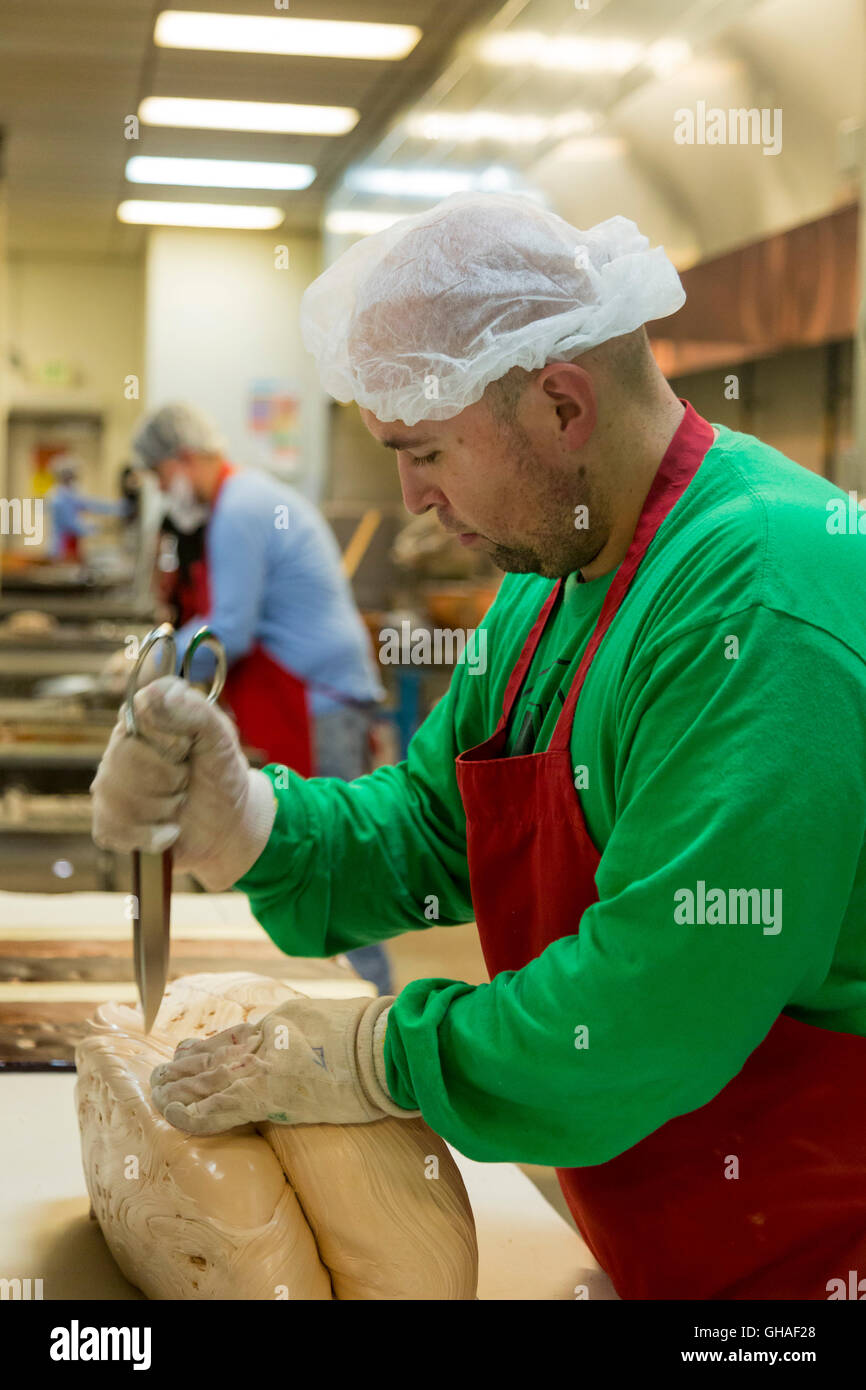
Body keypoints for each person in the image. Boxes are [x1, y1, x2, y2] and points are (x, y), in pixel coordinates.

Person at [91, 193, 866, 1300]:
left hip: (813, 1257)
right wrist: (246, 820)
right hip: (668, 1240)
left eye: (422, 450)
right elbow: (423, 828)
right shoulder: (544, 593)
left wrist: (373, 1056)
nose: (409, 497)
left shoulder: (758, 602)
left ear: (560, 405)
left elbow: (651, 1007)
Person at [127, 403, 389, 993]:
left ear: (185, 460)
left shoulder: (239, 512)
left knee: (340, 869)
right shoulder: (244, 501)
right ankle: (339, 1002)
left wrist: (154, 660)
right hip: (311, 694)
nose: (162, 493)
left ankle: (371, 1011)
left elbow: (231, 632)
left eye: (161, 478)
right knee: (325, 860)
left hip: (317, 702)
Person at [47, 454, 128, 561]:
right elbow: (71, 525)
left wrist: (120, 508)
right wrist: (97, 528)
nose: (74, 478)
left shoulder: (70, 493)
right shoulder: (58, 498)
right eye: (71, 475)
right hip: (61, 548)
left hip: (72, 545)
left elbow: (92, 505)